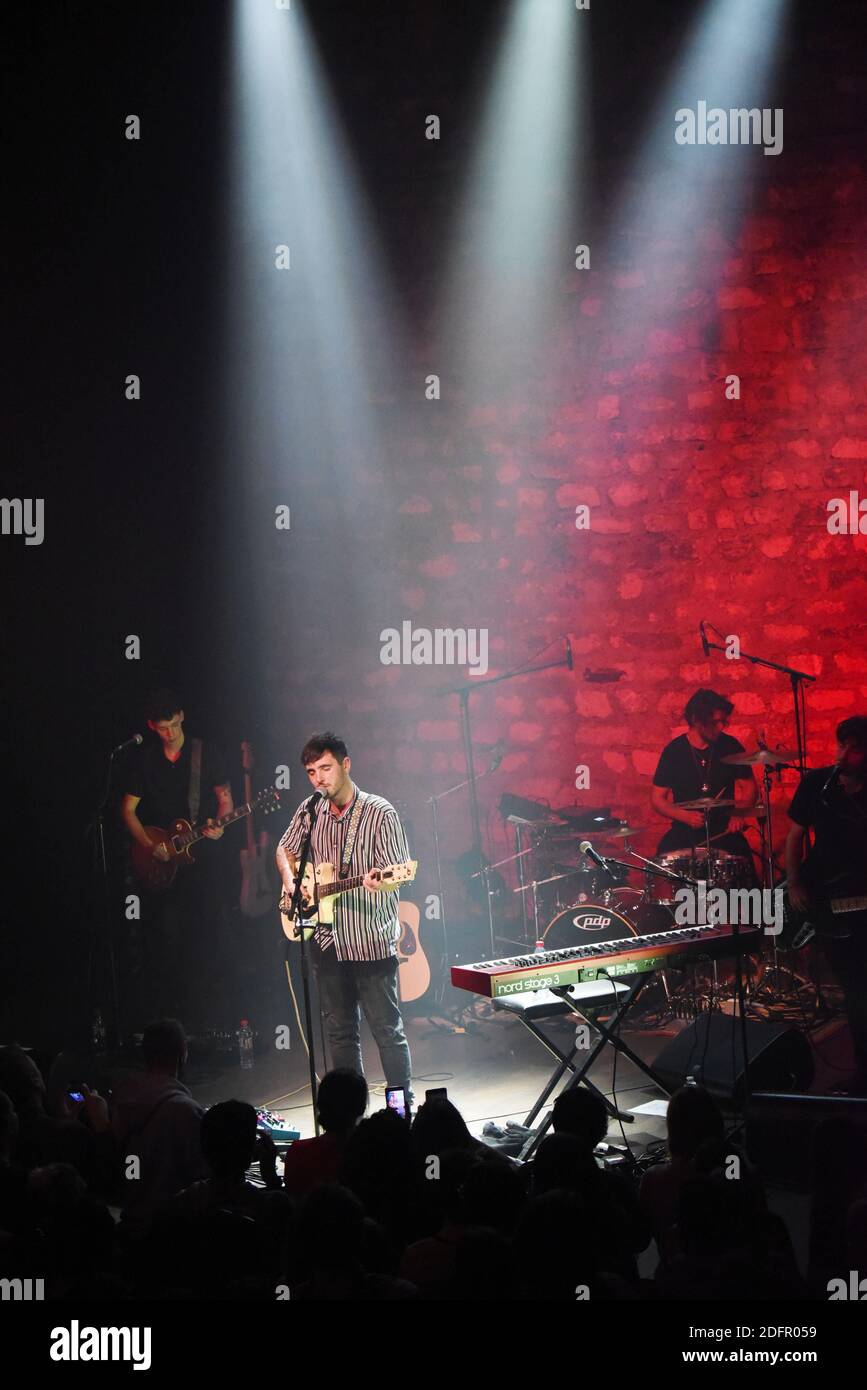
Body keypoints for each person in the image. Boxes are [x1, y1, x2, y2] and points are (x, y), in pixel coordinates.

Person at [276, 733, 414, 1101]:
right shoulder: (310, 811)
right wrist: (291, 882)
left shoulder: (379, 812)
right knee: (339, 1034)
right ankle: (352, 1116)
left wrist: (379, 883)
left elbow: (399, 874)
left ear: (345, 764)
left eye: (326, 768)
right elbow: (283, 849)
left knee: (387, 1031)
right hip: (325, 942)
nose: (319, 778)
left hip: (368, 939)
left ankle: (401, 1110)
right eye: (311, 772)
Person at [120, 688, 233, 1027]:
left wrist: (219, 825)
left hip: (200, 860)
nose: (169, 733)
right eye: (162, 728)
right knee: (167, 939)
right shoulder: (145, 761)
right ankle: (172, 1018)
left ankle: (213, 1017)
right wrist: (148, 843)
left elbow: (225, 802)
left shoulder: (205, 754)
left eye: (173, 725)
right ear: (152, 727)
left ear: (182, 716)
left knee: (209, 931)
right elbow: (127, 811)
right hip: (160, 862)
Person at [785, 715, 867, 1094]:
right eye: (841, 745)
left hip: (859, 894)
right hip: (825, 896)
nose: (844, 754)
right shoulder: (817, 784)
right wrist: (796, 881)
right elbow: (795, 835)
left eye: (854, 748)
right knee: (853, 987)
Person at [111, 1019, 206, 1235]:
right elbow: (203, 1180)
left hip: (131, 1226)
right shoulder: (185, 1111)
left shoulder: (121, 1100)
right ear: (183, 1054)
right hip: (171, 1234)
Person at [650, 688, 757, 860]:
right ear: (696, 720)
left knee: (743, 864)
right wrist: (685, 816)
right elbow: (657, 798)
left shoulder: (730, 746)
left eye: (724, 722)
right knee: (664, 861)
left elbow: (749, 786)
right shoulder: (674, 751)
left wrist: (738, 814)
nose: (721, 727)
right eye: (715, 722)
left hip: (724, 830)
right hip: (685, 831)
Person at [282, 1068, 368, 1198]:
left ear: (320, 1105)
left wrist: (271, 1178)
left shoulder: (298, 1151)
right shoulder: (371, 1150)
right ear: (361, 1109)